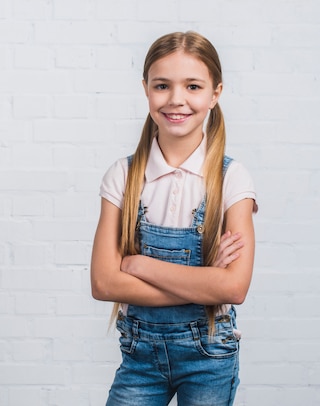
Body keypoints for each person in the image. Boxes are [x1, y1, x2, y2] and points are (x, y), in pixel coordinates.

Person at [90, 31, 258, 406]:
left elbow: (233, 289)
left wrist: (136, 265)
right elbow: (103, 283)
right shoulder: (123, 176)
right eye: (162, 85)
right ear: (146, 89)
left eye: (193, 86)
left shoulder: (231, 179)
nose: (176, 99)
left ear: (215, 93)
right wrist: (203, 283)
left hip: (209, 358)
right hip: (140, 358)